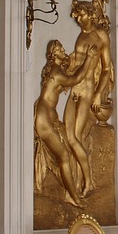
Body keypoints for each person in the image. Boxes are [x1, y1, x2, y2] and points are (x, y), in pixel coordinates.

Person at [62, 0, 113, 200]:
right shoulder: (80, 35)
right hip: (75, 87)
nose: (77, 18)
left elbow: (106, 68)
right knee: (69, 137)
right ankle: (78, 181)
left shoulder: (101, 36)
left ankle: (88, 181)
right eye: (76, 14)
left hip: (87, 90)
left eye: (80, 14)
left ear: (91, 15)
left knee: (75, 136)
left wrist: (99, 93)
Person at [34, 39, 84, 205]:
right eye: (60, 49)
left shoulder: (55, 71)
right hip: (44, 119)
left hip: (48, 116)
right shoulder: (56, 72)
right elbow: (75, 79)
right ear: (53, 54)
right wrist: (90, 59)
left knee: (66, 153)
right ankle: (72, 197)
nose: (63, 50)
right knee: (63, 156)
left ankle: (71, 192)